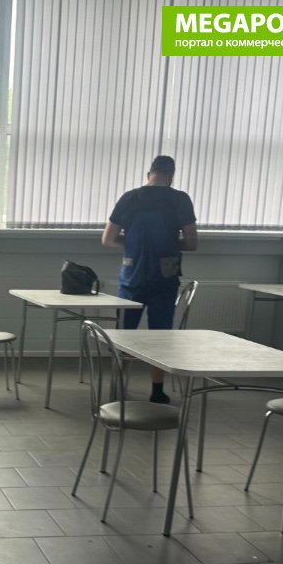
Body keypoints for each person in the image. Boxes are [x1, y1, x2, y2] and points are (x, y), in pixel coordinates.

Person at [101, 155, 198, 404]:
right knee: (160, 337)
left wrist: (134, 245)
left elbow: (108, 239)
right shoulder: (180, 199)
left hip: (131, 276)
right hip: (164, 278)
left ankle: (118, 386)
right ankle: (157, 391)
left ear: (149, 174)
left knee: (124, 335)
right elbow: (192, 243)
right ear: (171, 176)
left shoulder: (130, 198)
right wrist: (167, 245)